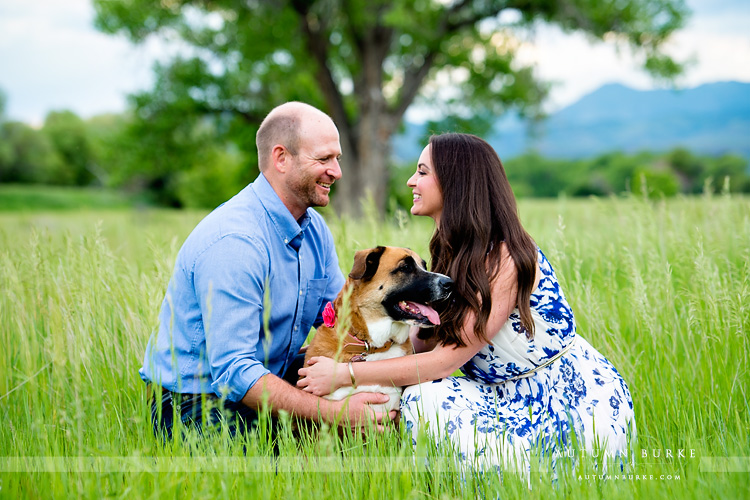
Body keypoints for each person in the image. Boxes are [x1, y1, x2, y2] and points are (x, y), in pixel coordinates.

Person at [298, 133, 635, 470]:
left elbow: (443, 362)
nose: (411, 180)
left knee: (426, 398)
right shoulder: (452, 256)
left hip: (566, 401)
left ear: (455, 183)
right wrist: (338, 349)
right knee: (421, 397)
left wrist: (344, 375)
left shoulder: (506, 258)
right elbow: (421, 348)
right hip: (499, 396)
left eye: (423, 172)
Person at [140, 102, 395, 439]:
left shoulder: (314, 229)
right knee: (292, 466)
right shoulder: (236, 242)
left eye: (337, 159)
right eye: (323, 159)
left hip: (268, 376)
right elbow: (234, 372)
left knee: (375, 424)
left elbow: (338, 318)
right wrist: (335, 413)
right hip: (196, 403)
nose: (336, 171)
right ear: (281, 158)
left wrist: (407, 333)